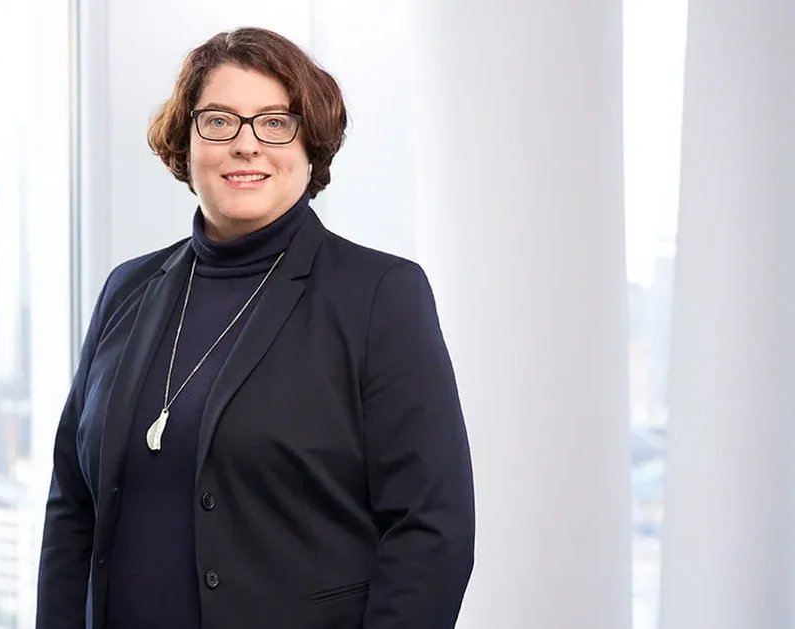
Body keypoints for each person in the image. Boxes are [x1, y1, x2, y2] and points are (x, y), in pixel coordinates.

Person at [37, 26, 474, 629]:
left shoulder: (379, 294)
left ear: (310, 144)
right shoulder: (126, 289)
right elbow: (72, 507)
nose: (246, 144)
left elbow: (432, 529)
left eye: (275, 122)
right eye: (219, 121)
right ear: (186, 141)